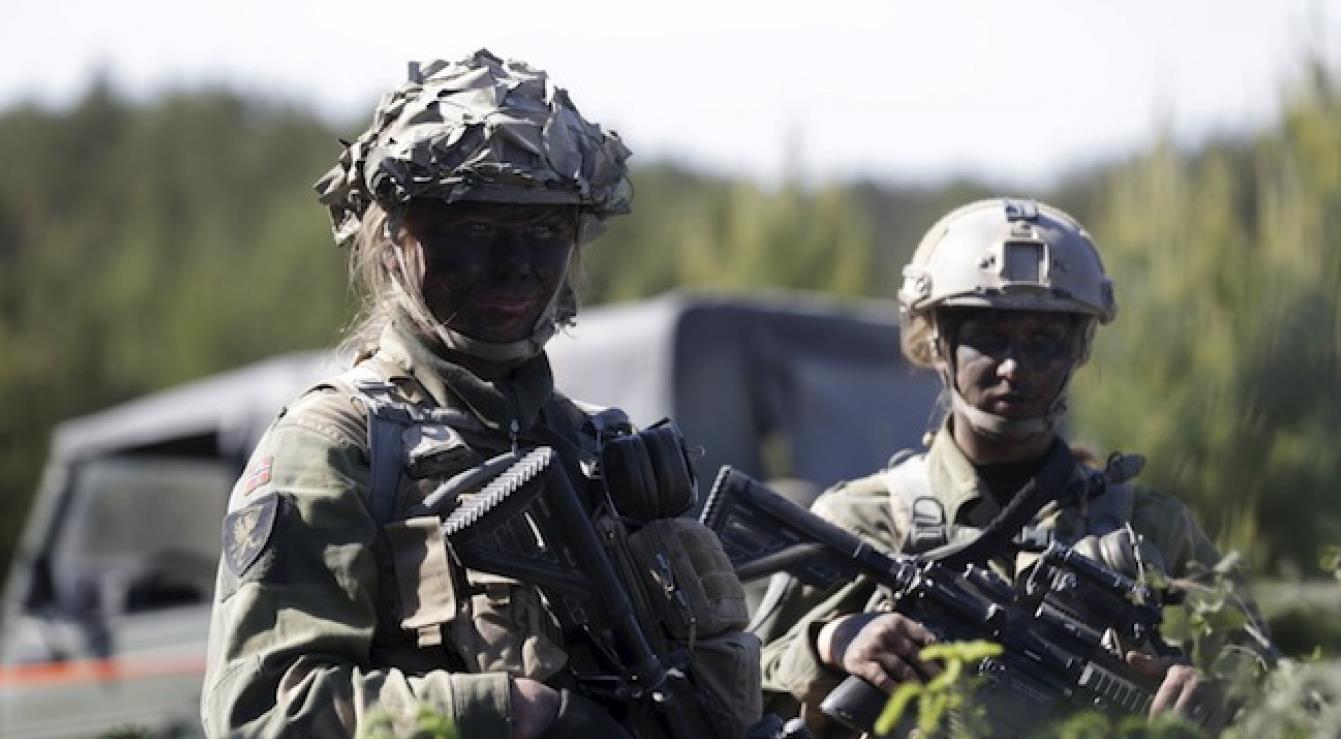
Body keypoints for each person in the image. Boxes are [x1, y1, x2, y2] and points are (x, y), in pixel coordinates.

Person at [202, 50, 758, 739]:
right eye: (474, 228)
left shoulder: (597, 447)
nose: (516, 263)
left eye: (545, 230)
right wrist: (514, 712)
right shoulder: (336, 448)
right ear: (393, 238)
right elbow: (262, 714)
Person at [753, 198, 1271, 737]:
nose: (1013, 367)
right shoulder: (862, 520)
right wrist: (831, 642)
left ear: (1079, 349)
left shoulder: (1149, 529)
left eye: (1043, 342)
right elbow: (739, 686)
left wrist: (1213, 690)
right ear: (937, 341)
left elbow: (1269, 678)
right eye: (988, 337)